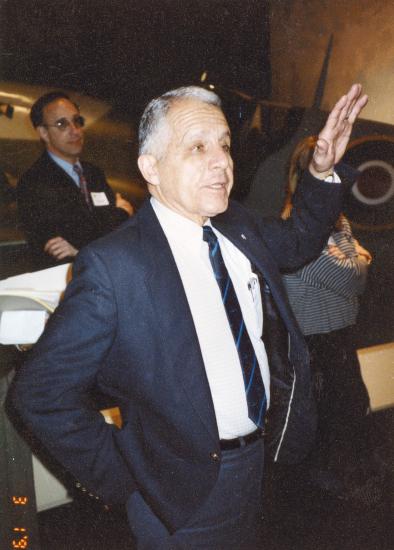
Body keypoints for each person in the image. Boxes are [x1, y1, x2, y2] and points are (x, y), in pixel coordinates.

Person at [9, 84, 367, 549]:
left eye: (224, 145)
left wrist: (321, 172)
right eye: (198, 147)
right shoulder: (116, 266)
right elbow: (39, 394)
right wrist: (127, 480)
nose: (221, 162)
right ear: (150, 167)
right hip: (178, 494)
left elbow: (299, 242)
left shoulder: (236, 224)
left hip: (258, 466)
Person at [281, 136, 373, 497]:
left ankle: (347, 476)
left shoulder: (334, 220)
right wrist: (360, 260)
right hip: (318, 339)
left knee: (350, 410)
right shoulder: (297, 224)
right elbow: (351, 278)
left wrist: (353, 260)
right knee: (329, 419)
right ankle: (329, 487)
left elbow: (349, 270)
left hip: (338, 334)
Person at [17, 91, 134, 268]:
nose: (75, 131)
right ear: (43, 133)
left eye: (77, 121)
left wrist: (79, 246)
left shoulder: (94, 173)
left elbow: (110, 234)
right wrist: (121, 213)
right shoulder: (34, 182)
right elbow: (69, 237)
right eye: (61, 124)